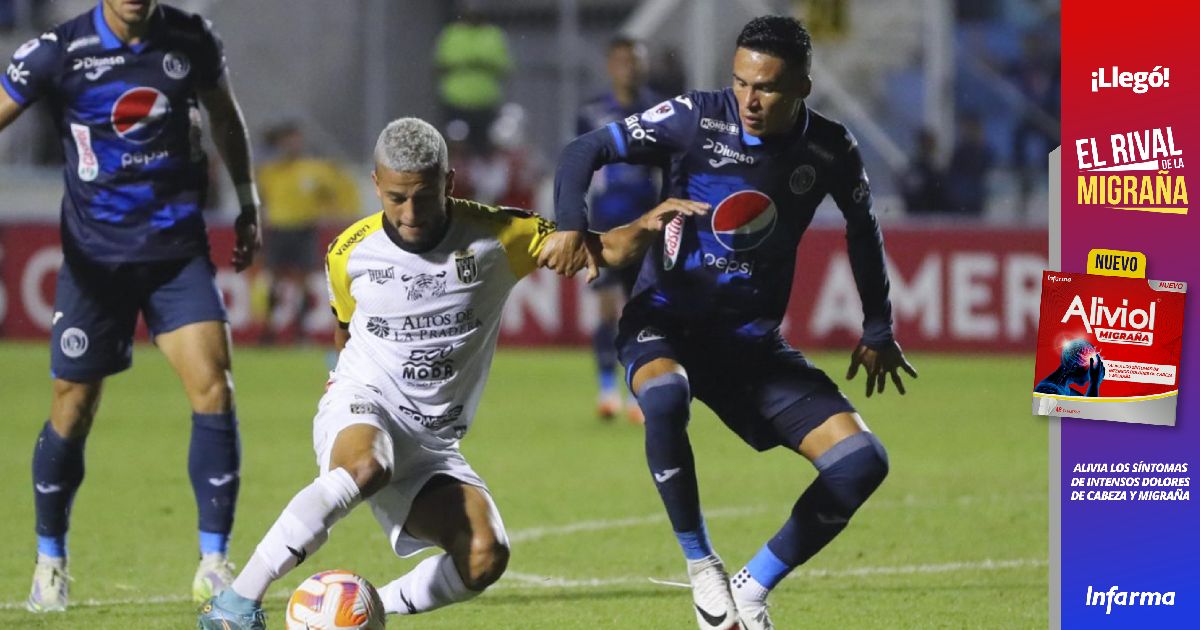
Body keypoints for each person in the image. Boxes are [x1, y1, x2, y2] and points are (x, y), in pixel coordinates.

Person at [197, 117, 706, 629]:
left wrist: (646, 226)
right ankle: (235, 605)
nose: (409, 213)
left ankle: (365, 610)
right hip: (365, 402)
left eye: (423, 196)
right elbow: (344, 332)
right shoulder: (349, 251)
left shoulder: (500, 235)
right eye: (395, 198)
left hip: (433, 442)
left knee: (485, 555)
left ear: (449, 182)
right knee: (366, 465)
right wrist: (344, 401)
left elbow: (602, 249)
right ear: (376, 184)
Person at [540, 16, 917, 630]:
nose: (749, 99)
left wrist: (878, 326)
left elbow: (862, 227)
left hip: (749, 346)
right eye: (740, 82)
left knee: (862, 462)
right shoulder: (695, 116)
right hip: (665, 319)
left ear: (803, 87)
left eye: (766, 87)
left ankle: (751, 587)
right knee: (665, 395)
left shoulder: (829, 148)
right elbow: (586, 149)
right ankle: (702, 566)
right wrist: (569, 225)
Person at [0, 0, 260, 612]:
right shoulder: (58, 52)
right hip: (94, 263)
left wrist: (248, 200)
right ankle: (50, 563)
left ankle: (214, 563)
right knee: (73, 407)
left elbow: (225, 116)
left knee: (214, 387)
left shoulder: (190, 38)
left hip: (176, 254)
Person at [576, 35, 661, 422]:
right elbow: (579, 167)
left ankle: (637, 392)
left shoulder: (659, 112)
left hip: (647, 227)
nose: (630, 68)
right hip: (604, 226)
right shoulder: (591, 112)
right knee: (608, 310)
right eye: (623, 61)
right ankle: (607, 390)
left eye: (636, 61)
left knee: (642, 314)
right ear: (611, 66)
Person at [256, 121, 360, 343]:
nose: (292, 145)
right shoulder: (270, 171)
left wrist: (337, 214)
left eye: (295, 140)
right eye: (287, 141)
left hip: (304, 229)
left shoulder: (314, 169)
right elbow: (262, 201)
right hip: (278, 229)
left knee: (303, 281)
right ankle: (269, 330)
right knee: (274, 281)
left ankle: (300, 332)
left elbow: (331, 195)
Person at [434, 0, 512, 153]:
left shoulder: (493, 35)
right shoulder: (452, 34)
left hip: (485, 101)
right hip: (456, 100)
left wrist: (477, 64)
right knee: (456, 145)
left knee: (484, 147)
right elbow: (441, 64)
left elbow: (504, 66)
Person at [1036, 339, 1104, 397]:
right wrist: (1094, 383)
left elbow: (1086, 402)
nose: (1093, 374)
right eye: (1091, 369)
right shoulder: (1048, 390)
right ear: (1074, 367)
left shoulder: (1063, 388)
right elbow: (1089, 407)